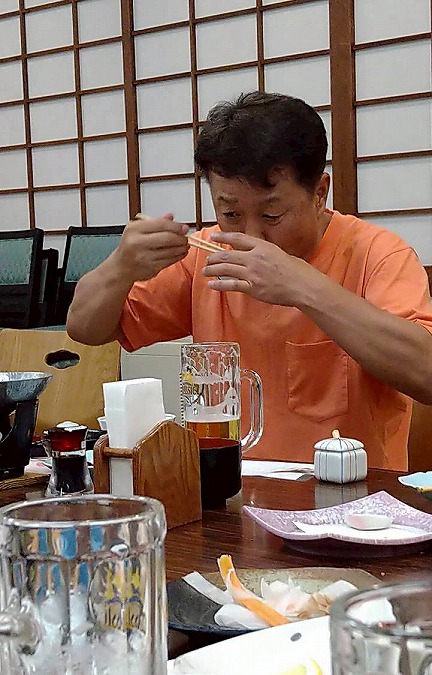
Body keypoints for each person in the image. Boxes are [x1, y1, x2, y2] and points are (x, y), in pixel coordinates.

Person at [67, 91, 432, 470]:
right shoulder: (207, 254)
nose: (251, 236)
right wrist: (120, 267)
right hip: (230, 488)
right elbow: (84, 328)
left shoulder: (377, 254)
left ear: (319, 193)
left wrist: (302, 287)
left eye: (271, 216)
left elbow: (426, 374)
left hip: (351, 494)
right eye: (231, 213)